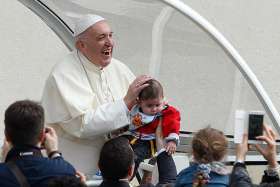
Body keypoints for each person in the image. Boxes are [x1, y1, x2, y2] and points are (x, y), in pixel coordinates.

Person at [41, 14, 151, 172]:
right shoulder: (63, 74)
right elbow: (82, 125)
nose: (109, 43)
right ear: (81, 45)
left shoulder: (118, 68)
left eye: (110, 36)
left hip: (115, 168)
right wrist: (125, 103)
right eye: (101, 37)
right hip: (76, 168)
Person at [0, 100, 77, 187]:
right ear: (43, 136)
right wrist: (54, 152)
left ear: (7, 136)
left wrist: (4, 159)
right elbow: (64, 169)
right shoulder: (65, 171)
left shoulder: (2, 173)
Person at [125, 79, 180, 178]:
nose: (154, 109)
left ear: (162, 99)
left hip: (149, 143)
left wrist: (172, 140)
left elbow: (173, 124)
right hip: (132, 137)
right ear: (139, 102)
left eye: (157, 105)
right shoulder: (135, 109)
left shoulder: (166, 112)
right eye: (149, 105)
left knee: (134, 157)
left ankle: (126, 179)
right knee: (115, 149)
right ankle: (108, 174)